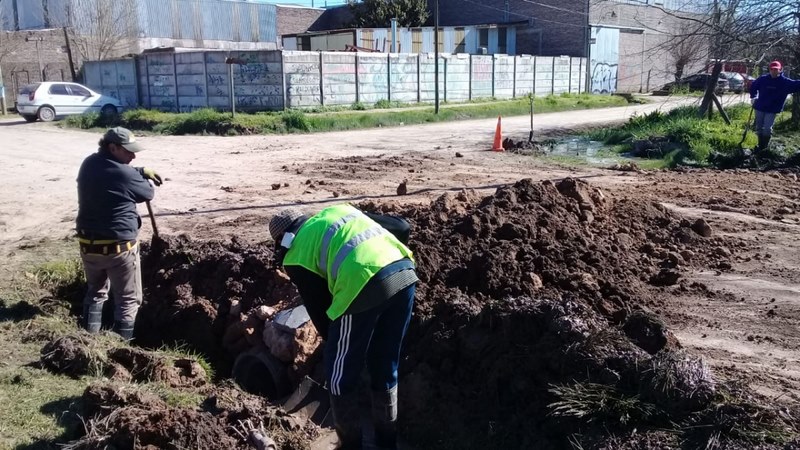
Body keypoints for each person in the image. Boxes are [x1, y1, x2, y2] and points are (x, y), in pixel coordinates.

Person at [269, 204, 418, 450]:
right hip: (403, 271)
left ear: (282, 241)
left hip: (361, 282)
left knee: (339, 377)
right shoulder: (337, 212)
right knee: (385, 364)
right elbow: (402, 226)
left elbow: (322, 312)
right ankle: (387, 443)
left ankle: (350, 446)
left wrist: (339, 348)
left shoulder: (295, 254)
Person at [76, 127, 163, 340]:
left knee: (95, 293)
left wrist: (140, 170)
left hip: (89, 245)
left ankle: (89, 341)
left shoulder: (88, 164)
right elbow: (147, 192)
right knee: (127, 301)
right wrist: (141, 175)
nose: (133, 156)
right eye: (128, 151)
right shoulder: (125, 174)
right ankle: (121, 352)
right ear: (112, 147)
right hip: (119, 248)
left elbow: (114, 173)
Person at [749, 60, 800, 152]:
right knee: (759, 127)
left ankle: (764, 148)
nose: (774, 71)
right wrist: (753, 96)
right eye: (772, 69)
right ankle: (760, 146)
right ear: (769, 69)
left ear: (780, 70)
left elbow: (797, 84)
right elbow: (753, 86)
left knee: (767, 128)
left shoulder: (784, 82)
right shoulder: (763, 79)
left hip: (772, 109)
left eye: (776, 70)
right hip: (760, 107)